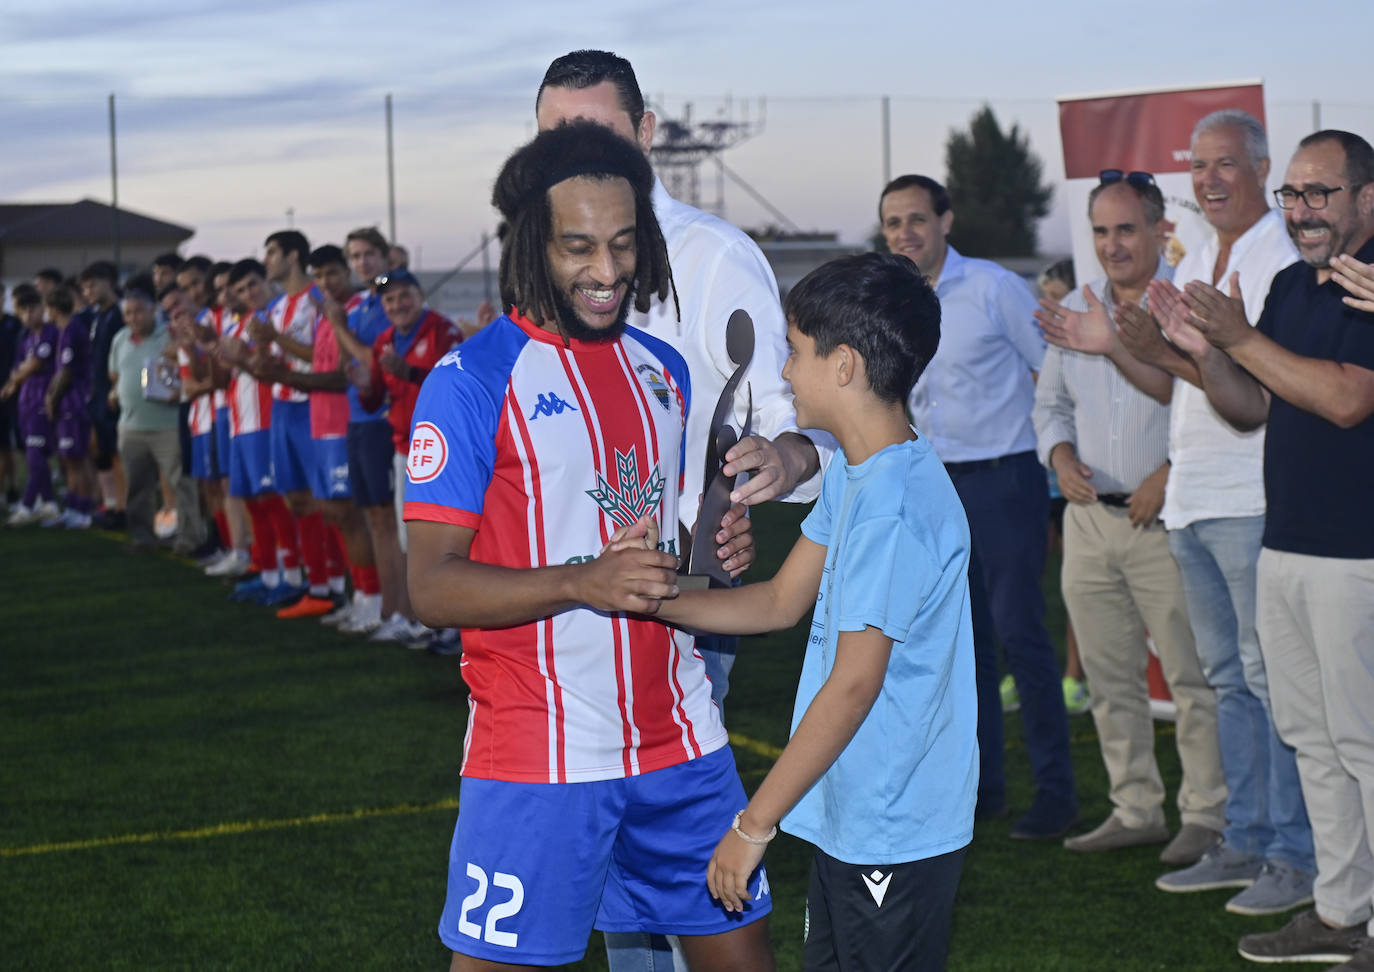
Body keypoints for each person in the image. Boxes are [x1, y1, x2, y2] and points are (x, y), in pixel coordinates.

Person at [404, 121, 773, 971]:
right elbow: (431, 588)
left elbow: (652, 546)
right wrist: (582, 584)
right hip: (537, 755)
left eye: (622, 244)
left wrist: (714, 551)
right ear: (532, 241)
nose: (607, 272)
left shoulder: (663, 371)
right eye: (578, 247)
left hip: (682, 739)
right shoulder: (469, 383)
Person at [637, 251, 973, 971]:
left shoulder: (895, 505)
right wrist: (652, 596)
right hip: (851, 811)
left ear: (844, 365)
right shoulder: (859, 472)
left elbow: (854, 685)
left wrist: (754, 824)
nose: (786, 372)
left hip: (894, 823)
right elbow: (779, 602)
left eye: (795, 352)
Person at [536, 49, 823, 715]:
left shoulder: (712, 259)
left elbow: (784, 419)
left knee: (669, 803)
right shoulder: (537, 261)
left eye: (598, 134)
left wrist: (781, 460)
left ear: (644, 134)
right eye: (556, 138)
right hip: (552, 586)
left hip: (677, 589)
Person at [1155, 130, 1374, 970]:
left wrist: (1239, 338)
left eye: (1321, 193)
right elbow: (1249, 407)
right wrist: (1208, 353)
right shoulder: (1288, 285)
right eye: (1293, 195)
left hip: (1356, 555)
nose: (1303, 210)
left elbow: (1349, 400)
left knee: (1360, 741)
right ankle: (1339, 907)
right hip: (1286, 543)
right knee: (1312, 739)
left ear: (1364, 197)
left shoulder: (1368, 287)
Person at [1090, 111, 1316, 916]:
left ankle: (1295, 854)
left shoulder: (1276, 256)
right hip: (1197, 499)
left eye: (1227, 164)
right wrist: (1150, 347)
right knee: (1230, 683)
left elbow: (1254, 398)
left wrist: (1184, 350)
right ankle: (1248, 839)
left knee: (1270, 685)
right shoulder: (1213, 255)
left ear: (1261, 170)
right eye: (1202, 166)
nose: (1211, 178)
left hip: (1251, 500)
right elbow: (1200, 380)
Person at [1033, 172, 1226, 867]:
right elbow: (1049, 405)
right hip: (1088, 521)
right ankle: (1136, 808)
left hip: (1167, 521)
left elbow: (1217, 404)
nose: (1113, 245)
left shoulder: (1186, 307)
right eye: (1101, 231)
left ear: (1158, 231)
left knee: (1192, 676)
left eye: (1126, 229)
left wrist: (1168, 476)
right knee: (1110, 679)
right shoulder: (1077, 308)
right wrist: (1058, 458)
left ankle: (1207, 814)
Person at [881, 172, 1077, 840]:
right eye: (892, 224)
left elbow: (1051, 368)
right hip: (934, 489)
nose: (904, 234)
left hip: (1004, 480)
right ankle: (982, 789)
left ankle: (1057, 795)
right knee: (962, 650)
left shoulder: (992, 287)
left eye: (915, 220)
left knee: (1019, 635)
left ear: (946, 221)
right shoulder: (891, 300)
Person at [263, 244, 382, 625]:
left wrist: (289, 377)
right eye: (318, 276)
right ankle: (359, 594)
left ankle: (373, 599)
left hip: (344, 421)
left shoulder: (357, 310)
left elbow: (341, 375)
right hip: (320, 423)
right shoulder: (324, 315)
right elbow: (320, 362)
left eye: (332, 273)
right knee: (334, 512)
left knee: (350, 514)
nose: (325, 282)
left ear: (346, 273)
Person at [351, 267, 457, 645]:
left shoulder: (442, 331)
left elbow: (452, 385)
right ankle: (424, 619)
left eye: (403, 296)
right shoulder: (383, 341)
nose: (397, 305)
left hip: (444, 450)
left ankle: (453, 624)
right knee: (409, 538)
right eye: (389, 299)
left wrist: (408, 371)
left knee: (447, 538)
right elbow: (375, 397)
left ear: (419, 294)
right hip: (404, 448)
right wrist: (365, 386)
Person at [107, 285, 195, 552]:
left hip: (166, 425)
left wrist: (176, 391)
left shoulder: (168, 335)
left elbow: (186, 367)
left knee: (181, 484)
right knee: (138, 486)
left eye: (138, 312)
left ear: (152, 311)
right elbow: (115, 374)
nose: (133, 318)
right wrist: (118, 392)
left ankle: (190, 538)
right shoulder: (120, 339)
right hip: (131, 426)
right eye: (128, 313)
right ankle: (143, 537)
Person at [1, 284, 60, 525]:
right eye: (22, 311)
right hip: (26, 402)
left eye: (32, 309)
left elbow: (32, 365)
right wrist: (11, 385)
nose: (27, 316)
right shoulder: (24, 336)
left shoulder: (50, 333)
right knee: (33, 456)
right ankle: (49, 504)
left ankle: (26, 506)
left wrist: (14, 379)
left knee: (35, 457)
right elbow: (18, 367)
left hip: (42, 402)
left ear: (42, 309)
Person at [43, 285, 98, 528]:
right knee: (70, 459)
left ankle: (83, 511)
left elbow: (65, 372)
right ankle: (74, 507)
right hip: (69, 403)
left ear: (53, 309)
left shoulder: (72, 330)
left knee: (79, 458)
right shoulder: (66, 329)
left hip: (73, 404)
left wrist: (51, 398)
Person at [79, 260, 126, 527]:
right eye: (84, 288)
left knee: (117, 453)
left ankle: (123, 507)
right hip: (97, 393)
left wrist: (116, 390)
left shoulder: (119, 314)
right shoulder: (98, 315)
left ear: (108, 281)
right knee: (100, 450)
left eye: (92, 285)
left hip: (112, 394)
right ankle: (110, 504)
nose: (88, 292)